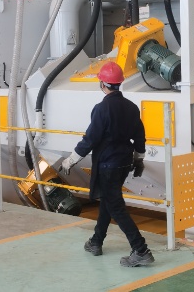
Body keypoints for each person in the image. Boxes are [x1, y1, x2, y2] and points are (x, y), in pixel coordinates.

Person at [61, 62, 153, 268]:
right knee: (108, 201)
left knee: (116, 206)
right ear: (119, 83)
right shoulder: (131, 108)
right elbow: (140, 136)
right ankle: (96, 242)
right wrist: (139, 159)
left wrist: (71, 159)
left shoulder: (101, 109)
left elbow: (90, 139)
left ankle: (141, 250)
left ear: (102, 84)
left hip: (107, 165)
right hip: (124, 163)